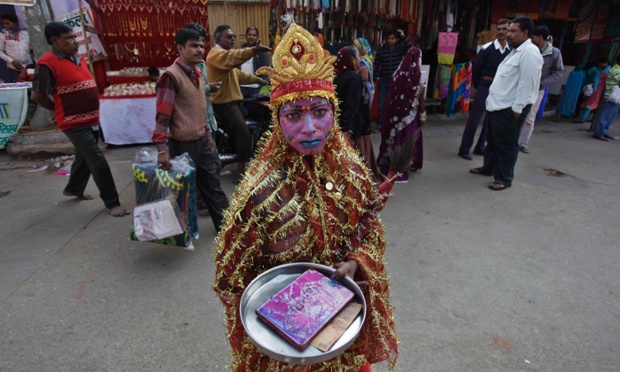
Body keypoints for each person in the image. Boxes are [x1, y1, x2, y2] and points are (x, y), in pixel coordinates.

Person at [213, 20, 398, 372]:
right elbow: (229, 277)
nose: (310, 128)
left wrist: (357, 261)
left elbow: (372, 232)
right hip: (287, 344)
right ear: (277, 120)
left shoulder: (353, 173)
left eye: (319, 111)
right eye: (294, 115)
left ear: (334, 112)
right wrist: (281, 295)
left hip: (342, 328)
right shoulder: (257, 192)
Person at [31, 22, 128, 217]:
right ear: (55, 40)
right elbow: (37, 96)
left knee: (84, 156)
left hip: (91, 118)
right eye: (69, 38)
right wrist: (56, 109)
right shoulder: (46, 63)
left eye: (75, 37)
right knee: (97, 160)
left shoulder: (78, 58)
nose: (75, 41)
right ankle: (112, 203)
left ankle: (73, 188)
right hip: (73, 123)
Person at [152, 28, 229, 231]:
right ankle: (174, 231)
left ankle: (228, 229)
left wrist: (206, 131)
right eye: (193, 45)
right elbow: (162, 117)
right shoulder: (171, 77)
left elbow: (198, 107)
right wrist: (162, 149)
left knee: (212, 184)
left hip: (201, 140)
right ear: (180, 48)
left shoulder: (197, 73)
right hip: (182, 145)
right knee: (182, 192)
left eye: (202, 45)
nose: (199, 50)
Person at [470, 17, 542, 191]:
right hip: (497, 105)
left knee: (507, 144)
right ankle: (489, 168)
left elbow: (527, 83)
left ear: (525, 33)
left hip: (510, 108)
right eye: (508, 31)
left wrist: (517, 108)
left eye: (513, 31)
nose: (508, 34)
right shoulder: (515, 50)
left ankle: (504, 178)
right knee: (492, 141)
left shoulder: (529, 53)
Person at [207, 24, 270, 180]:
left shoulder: (225, 59)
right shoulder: (216, 54)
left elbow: (239, 75)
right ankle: (241, 171)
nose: (233, 38)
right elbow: (234, 57)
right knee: (244, 132)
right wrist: (254, 50)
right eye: (229, 36)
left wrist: (260, 81)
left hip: (234, 101)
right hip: (225, 105)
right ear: (218, 38)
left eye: (234, 36)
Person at [458, 19, 511, 160]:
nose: (501, 32)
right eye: (498, 29)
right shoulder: (487, 49)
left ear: (509, 30)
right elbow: (476, 70)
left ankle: (481, 146)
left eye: (504, 29)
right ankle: (464, 148)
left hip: (500, 88)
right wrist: (478, 85)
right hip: (485, 85)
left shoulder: (510, 51)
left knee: (491, 118)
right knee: (475, 118)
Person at [334, 45, 384, 184]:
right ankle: (363, 188)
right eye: (357, 57)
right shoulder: (354, 79)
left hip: (347, 126)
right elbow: (352, 105)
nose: (359, 60)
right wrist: (348, 129)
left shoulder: (339, 78)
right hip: (356, 128)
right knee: (360, 160)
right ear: (351, 59)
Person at [376, 46, 426, 183]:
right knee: (408, 141)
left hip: (396, 118)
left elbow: (390, 98)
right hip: (411, 118)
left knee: (397, 140)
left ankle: (391, 166)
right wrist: (423, 114)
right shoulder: (420, 77)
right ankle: (401, 168)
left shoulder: (398, 74)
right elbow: (421, 100)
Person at [518, 25, 564, 154]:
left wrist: (543, 83)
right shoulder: (527, 49)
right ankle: (512, 139)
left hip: (538, 89)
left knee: (530, 117)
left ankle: (523, 143)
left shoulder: (554, 53)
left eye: (532, 37)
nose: (530, 39)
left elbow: (559, 72)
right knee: (515, 113)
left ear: (540, 37)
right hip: (522, 86)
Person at [373, 29, 412, 132]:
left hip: (397, 81)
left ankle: (394, 125)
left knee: (396, 103)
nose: (390, 40)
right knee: (382, 104)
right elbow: (376, 67)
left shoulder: (400, 49)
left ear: (397, 39)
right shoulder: (381, 51)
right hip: (384, 81)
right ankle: (380, 125)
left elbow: (411, 48)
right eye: (389, 38)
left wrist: (403, 35)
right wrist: (373, 81)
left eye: (393, 38)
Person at [592, 54, 620, 141]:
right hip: (611, 97)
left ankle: (604, 132)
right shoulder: (616, 70)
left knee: (611, 116)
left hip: (616, 97)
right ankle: (598, 132)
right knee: (606, 115)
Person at [0, 13, 34, 82]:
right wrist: (11, 61)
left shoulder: (26, 33)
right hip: (13, 68)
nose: (5, 26)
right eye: (3, 24)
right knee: (21, 86)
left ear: (15, 23)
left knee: (32, 86)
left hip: (29, 66)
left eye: (8, 23)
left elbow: (32, 49)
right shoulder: (3, 34)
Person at [576, 57, 610, 122]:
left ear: (605, 63)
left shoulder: (607, 71)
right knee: (593, 104)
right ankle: (592, 118)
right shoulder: (601, 70)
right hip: (596, 89)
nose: (600, 65)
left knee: (590, 103)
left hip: (598, 90)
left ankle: (583, 118)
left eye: (601, 63)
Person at [239, 26, 270, 98]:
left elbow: (265, 70)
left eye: (254, 35)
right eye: (249, 35)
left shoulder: (261, 52)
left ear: (257, 37)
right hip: (241, 88)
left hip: (255, 88)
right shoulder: (240, 51)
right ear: (246, 36)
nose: (251, 37)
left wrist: (261, 85)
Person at [353, 37, 376, 105]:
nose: (353, 48)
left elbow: (364, 77)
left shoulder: (363, 61)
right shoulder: (367, 59)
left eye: (355, 46)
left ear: (361, 48)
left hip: (366, 89)